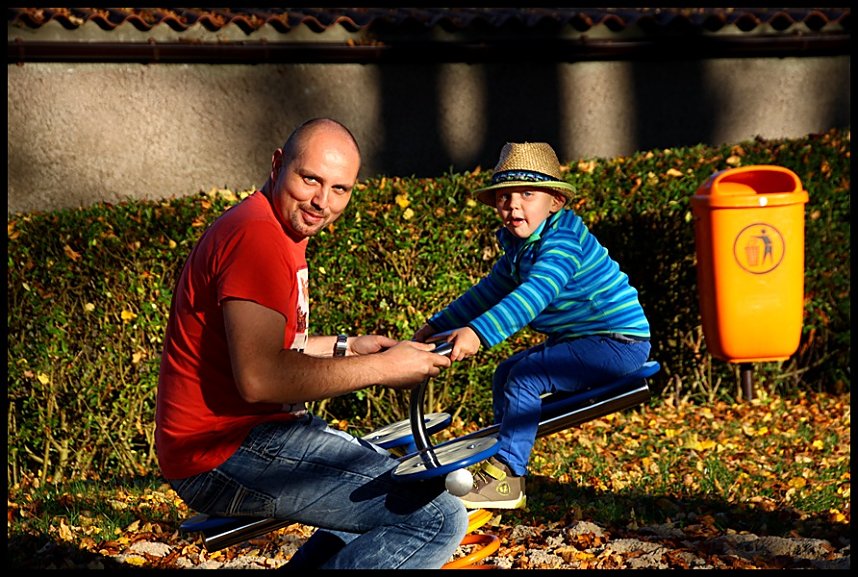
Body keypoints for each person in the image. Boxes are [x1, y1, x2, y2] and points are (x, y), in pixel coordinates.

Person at [155, 118, 468, 569]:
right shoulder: (256, 239)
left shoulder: (275, 227)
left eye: (340, 189)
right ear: (279, 164)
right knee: (435, 516)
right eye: (311, 180)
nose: (323, 201)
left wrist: (347, 347)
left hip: (235, 440)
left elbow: (269, 348)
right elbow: (261, 378)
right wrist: (384, 370)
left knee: (372, 498)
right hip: (224, 452)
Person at [414, 142, 651, 510]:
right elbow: (486, 293)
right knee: (506, 372)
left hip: (617, 343)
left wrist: (477, 333)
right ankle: (499, 467)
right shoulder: (519, 249)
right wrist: (436, 326)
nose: (514, 205)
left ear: (555, 201)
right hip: (585, 339)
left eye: (527, 193)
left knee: (525, 377)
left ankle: (508, 476)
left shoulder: (562, 243)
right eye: (505, 196)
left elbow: (535, 293)